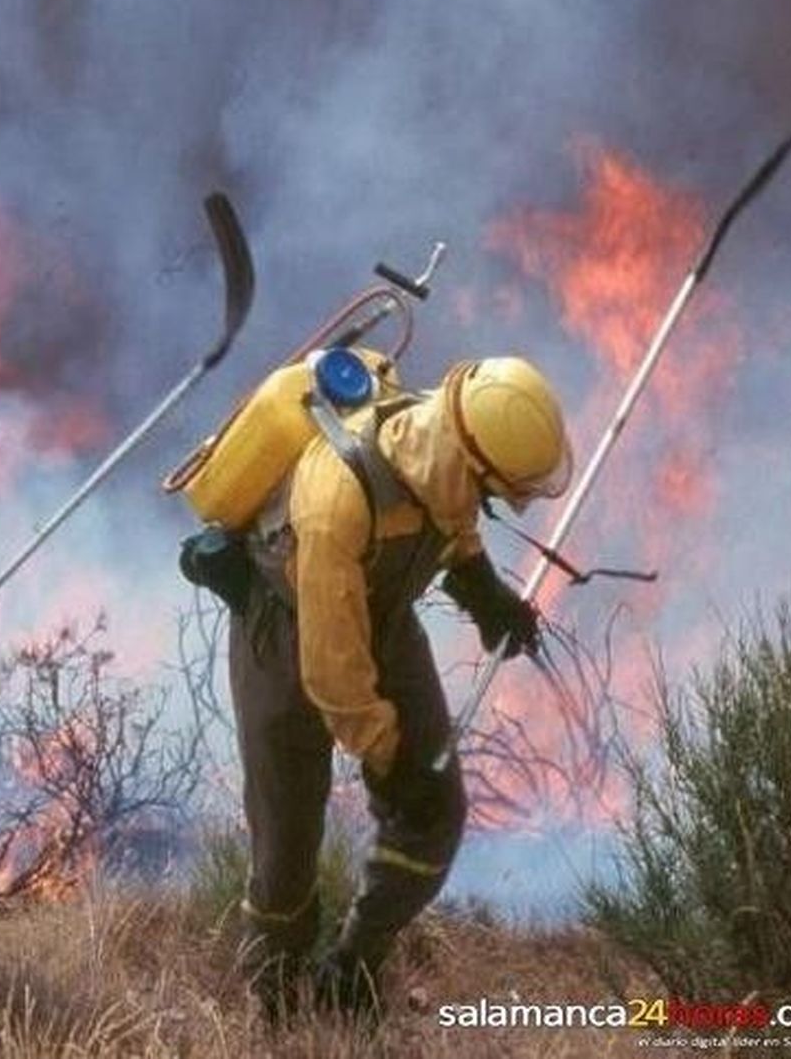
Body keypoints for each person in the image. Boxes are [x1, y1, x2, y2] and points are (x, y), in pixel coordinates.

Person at [228, 356, 571, 1021]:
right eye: (495, 490)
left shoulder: (444, 449)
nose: (496, 503)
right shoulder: (336, 502)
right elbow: (333, 676)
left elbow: (450, 508)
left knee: (435, 811)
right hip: (286, 633)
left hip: (382, 618)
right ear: (468, 460)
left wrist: (480, 587)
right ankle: (275, 1002)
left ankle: (351, 965)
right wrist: (386, 757)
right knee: (287, 844)